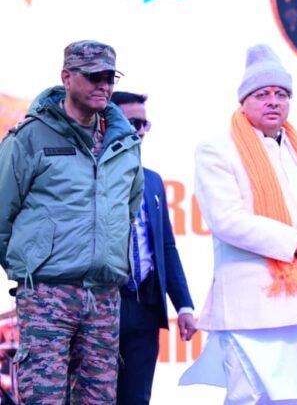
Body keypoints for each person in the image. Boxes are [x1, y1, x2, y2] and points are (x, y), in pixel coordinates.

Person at [191, 44, 297, 404]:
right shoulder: (217, 148)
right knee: (250, 398)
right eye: (262, 94)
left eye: (281, 94)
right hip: (250, 307)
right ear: (243, 102)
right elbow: (227, 220)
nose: (273, 101)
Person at [0, 40, 144, 403]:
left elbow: (127, 213)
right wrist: (30, 269)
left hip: (104, 296)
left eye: (109, 77)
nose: (103, 85)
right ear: (66, 78)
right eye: (93, 76)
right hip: (48, 293)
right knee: (44, 397)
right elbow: (2, 212)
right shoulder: (30, 137)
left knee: (99, 399)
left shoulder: (125, 143)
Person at [111, 92, 197, 404]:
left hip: (145, 305)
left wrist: (184, 305)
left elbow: (166, 247)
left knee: (137, 398)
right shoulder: (87, 176)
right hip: (102, 305)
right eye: (132, 123)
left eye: (144, 124)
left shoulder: (153, 180)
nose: (141, 131)